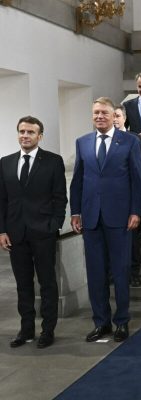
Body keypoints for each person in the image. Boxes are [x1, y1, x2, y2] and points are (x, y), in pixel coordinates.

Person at [70, 97, 141, 343]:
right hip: (91, 218)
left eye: (104, 113)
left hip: (121, 218)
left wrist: (136, 211)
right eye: (96, 113)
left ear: (115, 116)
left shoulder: (130, 142)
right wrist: (76, 212)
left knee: (121, 272)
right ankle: (101, 322)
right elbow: (78, 181)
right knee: (95, 274)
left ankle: (121, 322)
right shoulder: (83, 143)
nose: (99, 116)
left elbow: (137, 179)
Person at [0, 116, 67, 349]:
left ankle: (48, 330)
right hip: (16, 234)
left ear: (40, 136)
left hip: (43, 233)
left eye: (30, 132)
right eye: (21, 131)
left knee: (47, 282)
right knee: (23, 284)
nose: (25, 136)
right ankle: (26, 330)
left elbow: (60, 197)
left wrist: (55, 225)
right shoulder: (5, 163)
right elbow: (2, 200)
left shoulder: (53, 161)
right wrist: (2, 231)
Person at [114, 105, 141, 288]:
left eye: (118, 116)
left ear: (125, 118)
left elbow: (140, 171)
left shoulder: (135, 140)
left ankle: (134, 272)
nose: (114, 119)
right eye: (113, 116)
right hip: (113, 201)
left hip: (131, 199)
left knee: (134, 240)